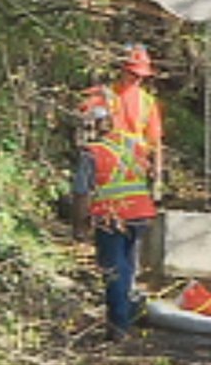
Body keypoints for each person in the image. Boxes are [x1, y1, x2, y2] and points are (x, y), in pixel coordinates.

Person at [71, 94, 158, 341]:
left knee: (114, 270)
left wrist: (79, 227)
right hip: (140, 215)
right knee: (129, 267)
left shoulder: (92, 153)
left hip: (112, 218)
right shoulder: (132, 144)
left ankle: (118, 327)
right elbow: (149, 176)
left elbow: (81, 193)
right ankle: (129, 314)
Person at [103, 43, 165, 200]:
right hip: (107, 164)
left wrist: (157, 175)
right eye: (133, 74)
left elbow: (155, 141)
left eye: (141, 76)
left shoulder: (148, 102)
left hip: (135, 167)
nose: (137, 79)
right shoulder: (106, 96)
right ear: (123, 69)